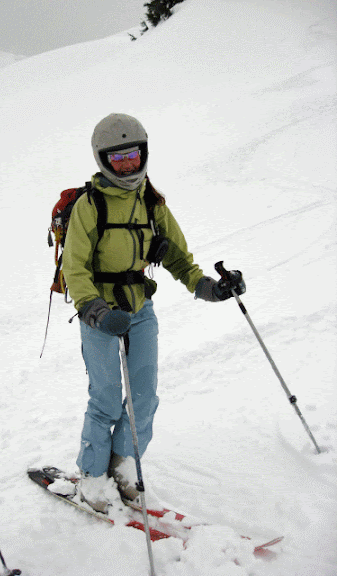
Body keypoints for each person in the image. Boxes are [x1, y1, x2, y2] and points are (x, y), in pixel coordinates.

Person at [61, 113, 245, 513]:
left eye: (133, 154)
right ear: (102, 159)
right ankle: (92, 477)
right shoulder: (90, 205)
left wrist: (210, 288)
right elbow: (74, 268)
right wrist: (95, 311)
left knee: (143, 397)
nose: (127, 164)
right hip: (100, 313)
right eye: (117, 158)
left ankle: (125, 468)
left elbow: (179, 258)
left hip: (140, 308)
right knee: (106, 399)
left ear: (143, 153)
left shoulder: (151, 201)